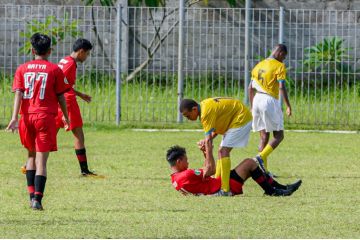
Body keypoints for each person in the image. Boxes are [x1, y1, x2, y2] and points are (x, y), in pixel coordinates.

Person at [6, 33, 70, 210]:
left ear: (32, 50)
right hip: (45, 117)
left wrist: (13, 118)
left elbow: (18, 93)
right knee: (42, 160)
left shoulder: (22, 69)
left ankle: (30, 196)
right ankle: (37, 200)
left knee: (30, 156)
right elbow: (61, 96)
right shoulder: (54, 70)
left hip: (26, 118)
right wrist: (65, 115)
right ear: (50, 51)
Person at [179, 97, 252, 195]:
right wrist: (206, 141)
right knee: (221, 151)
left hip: (241, 118)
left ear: (194, 109)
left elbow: (209, 139)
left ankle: (225, 190)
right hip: (237, 116)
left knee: (223, 151)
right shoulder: (204, 107)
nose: (188, 119)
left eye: (188, 116)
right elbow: (213, 131)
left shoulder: (205, 113)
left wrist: (209, 163)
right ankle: (218, 184)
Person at [166, 144, 302, 196]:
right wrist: (208, 149)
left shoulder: (175, 180)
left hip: (216, 186)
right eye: (186, 160)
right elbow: (211, 170)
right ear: (179, 161)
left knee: (249, 165)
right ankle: (273, 191)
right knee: (249, 163)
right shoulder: (186, 174)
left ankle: (279, 188)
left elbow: (205, 172)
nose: (188, 162)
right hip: (221, 188)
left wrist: (205, 155)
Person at [55, 38, 99, 176]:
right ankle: (84, 170)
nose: (87, 57)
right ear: (81, 52)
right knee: (78, 134)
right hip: (66, 101)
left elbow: (62, 84)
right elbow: (61, 86)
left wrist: (80, 94)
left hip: (57, 100)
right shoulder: (70, 65)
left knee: (50, 133)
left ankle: (29, 164)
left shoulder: (65, 60)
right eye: (87, 54)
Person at [248, 44, 292, 177]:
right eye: (283, 57)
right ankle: (260, 158)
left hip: (256, 99)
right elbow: (281, 87)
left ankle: (264, 172)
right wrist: (288, 105)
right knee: (279, 136)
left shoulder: (259, 64)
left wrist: (251, 106)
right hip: (268, 101)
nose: (283, 60)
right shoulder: (279, 66)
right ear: (279, 52)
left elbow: (250, 88)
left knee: (263, 136)